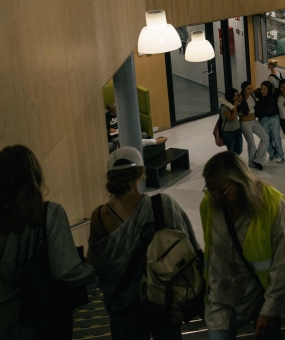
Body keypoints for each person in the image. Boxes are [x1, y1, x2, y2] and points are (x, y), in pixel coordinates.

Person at [87, 147, 199, 340]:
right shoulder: (162, 205)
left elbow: (97, 264)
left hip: (122, 306)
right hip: (164, 301)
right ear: (141, 172)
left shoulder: (99, 216)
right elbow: (188, 247)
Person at [0, 145, 96, 339]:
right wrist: (93, 269)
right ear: (33, 175)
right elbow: (64, 271)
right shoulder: (48, 214)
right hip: (44, 319)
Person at [200, 152, 285, 340]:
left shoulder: (273, 205)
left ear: (240, 181)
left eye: (222, 191)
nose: (216, 197)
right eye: (211, 190)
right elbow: (211, 252)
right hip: (221, 300)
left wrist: (269, 310)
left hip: (260, 297)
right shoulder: (209, 204)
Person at [238, 81, 269, 171]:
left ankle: (257, 159)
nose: (250, 90)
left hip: (254, 121)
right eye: (248, 89)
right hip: (245, 123)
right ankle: (251, 163)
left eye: (251, 88)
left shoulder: (253, 95)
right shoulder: (240, 99)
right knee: (252, 144)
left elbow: (263, 90)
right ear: (243, 90)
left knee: (265, 137)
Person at [254, 82, 283, 164]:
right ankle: (272, 154)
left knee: (276, 137)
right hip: (263, 120)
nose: (263, 91)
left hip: (274, 119)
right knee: (266, 138)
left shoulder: (274, 95)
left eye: (265, 89)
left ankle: (280, 154)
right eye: (261, 89)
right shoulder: (258, 95)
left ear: (269, 89)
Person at [219, 89, 244, 155]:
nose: (236, 98)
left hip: (237, 130)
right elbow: (232, 118)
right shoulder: (224, 107)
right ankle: (230, 164)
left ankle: (235, 163)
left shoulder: (234, 104)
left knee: (239, 150)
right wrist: (234, 106)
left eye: (237, 95)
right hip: (228, 132)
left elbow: (240, 113)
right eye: (234, 96)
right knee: (231, 152)